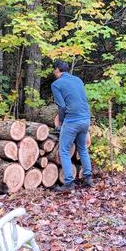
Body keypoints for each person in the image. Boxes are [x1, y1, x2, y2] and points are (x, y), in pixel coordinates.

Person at [50, 60, 93, 192]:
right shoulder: (78, 80)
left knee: (63, 150)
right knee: (82, 148)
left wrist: (61, 123)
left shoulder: (56, 84)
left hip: (72, 120)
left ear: (57, 70)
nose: (54, 73)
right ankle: (88, 178)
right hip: (86, 118)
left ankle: (68, 183)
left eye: (54, 70)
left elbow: (62, 106)